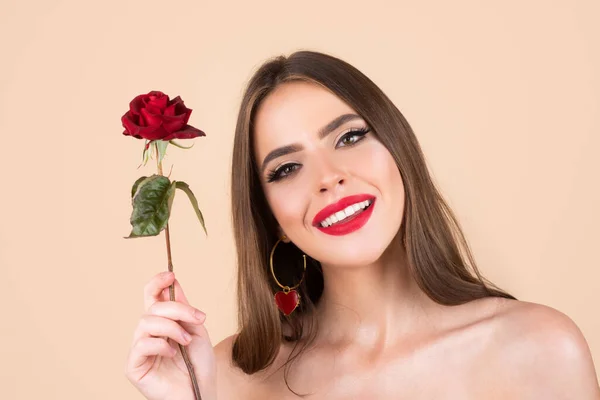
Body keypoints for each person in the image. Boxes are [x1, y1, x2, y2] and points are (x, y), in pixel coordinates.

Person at [125, 50, 600, 399]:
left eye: (350, 136)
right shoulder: (229, 378)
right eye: (287, 169)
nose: (329, 177)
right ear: (273, 218)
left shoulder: (540, 348)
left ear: (399, 150)